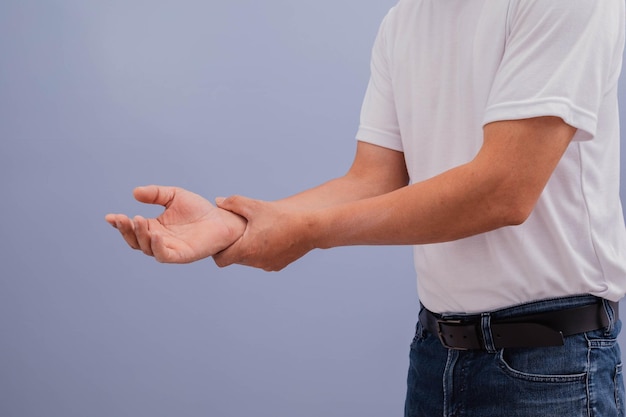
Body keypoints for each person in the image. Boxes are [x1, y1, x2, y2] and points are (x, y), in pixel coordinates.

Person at [106, 0, 626, 415]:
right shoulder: (404, 20)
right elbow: (373, 179)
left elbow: (504, 190)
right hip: (436, 354)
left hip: (552, 363)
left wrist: (306, 231)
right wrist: (238, 223)